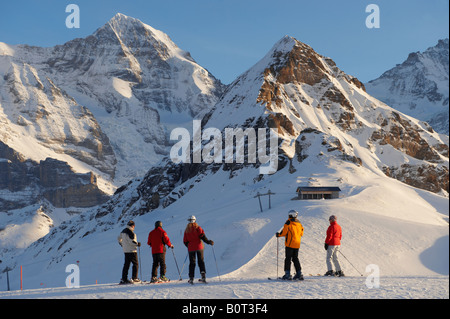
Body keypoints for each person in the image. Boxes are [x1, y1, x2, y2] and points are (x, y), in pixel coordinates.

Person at [183, 215, 214, 284]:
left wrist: (189, 246)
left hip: (191, 249)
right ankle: (203, 277)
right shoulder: (198, 228)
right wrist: (208, 242)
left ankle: (191, 278)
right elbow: (203, 236)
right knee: (201, 261)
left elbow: (185, 241)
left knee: (192, 263)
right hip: (199, 247)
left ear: (188, 221)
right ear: (195, 220)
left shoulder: (186, 230)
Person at [276, 210, 304, 280]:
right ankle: (299, 273)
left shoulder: (288, 223)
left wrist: (278, 234)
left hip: (290, 244)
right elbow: (301, 233)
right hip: (297, 244)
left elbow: (284, 232)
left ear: (290, 215)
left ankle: (287, 274)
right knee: (295, 258)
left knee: (288, 259)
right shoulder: (299, 224)